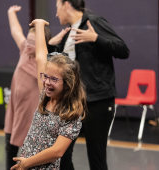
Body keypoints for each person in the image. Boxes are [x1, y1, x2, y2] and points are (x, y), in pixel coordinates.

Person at [48, 0, 130, 170]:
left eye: (57, 8)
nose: (56, 14)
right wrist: (52, 46)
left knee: (96, 158)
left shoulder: (94, 22)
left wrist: (96, 38)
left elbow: (123, 50)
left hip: (97, 101)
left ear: (66, 5)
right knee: (60, 154)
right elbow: (61, 67)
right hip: (73, 103)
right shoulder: (69, 33)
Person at [10, 19, 86, 170]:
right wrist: (39, 26)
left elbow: (57, 151)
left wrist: (27, 163)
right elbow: (40, 56)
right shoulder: (44, 96)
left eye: (54, 79)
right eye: (46, 77)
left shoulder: (71, 113)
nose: (47, 82)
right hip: (26, 165)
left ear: (68, 83)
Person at [4, 5, 52, 170]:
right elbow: (16, 31)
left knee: (26, 151)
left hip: (30, 111)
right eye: (28, 41)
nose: (29, 45)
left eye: (33, 42)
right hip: (16, 107)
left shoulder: (43, 62)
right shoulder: (25, 51)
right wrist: (11, 13)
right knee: (10, 147)